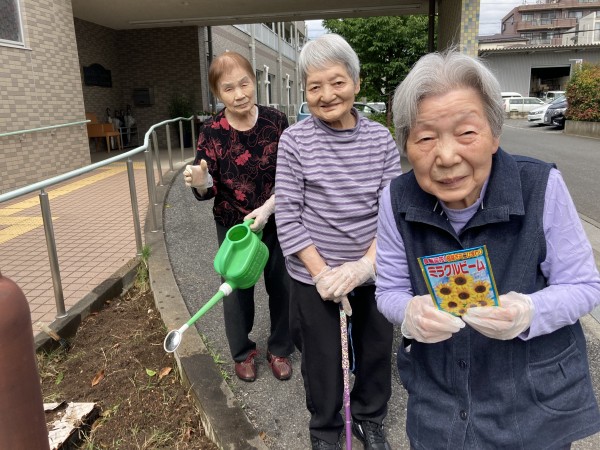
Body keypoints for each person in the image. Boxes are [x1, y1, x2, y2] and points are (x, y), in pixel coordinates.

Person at [375, 49, 600, 449]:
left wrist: (528, 311)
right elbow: (389, 289)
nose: (447, 157)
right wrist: (409, 313)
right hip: (439, 403)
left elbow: (584, 285)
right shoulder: (396, 198)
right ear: (406, 144)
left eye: (466, 133)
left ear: (495, 135)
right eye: (426, 137)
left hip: (533, 405)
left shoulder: (540, 186)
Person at [275, 34, 401, 450]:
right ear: (304, 91)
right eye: (314, 86)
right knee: (322, 359)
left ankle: (368, 418)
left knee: (375, 350)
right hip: (315, 275)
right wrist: (324, 275)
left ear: (357, 83)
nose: (327, 95)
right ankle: (326, 430)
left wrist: (365, 266)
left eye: (337, 82)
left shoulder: (380, 139)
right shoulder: (294, 141)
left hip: (373, 270)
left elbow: (391, 213)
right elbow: (288, 216)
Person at [183, 51, 293, 383]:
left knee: (283, 284)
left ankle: (280, 348)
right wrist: (202, 182)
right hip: (233, 224)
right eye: (228, 88)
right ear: (217, 93)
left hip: (275, 217)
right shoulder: (211, 131)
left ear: (254, 81)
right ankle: (242, 352)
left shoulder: (276, 121)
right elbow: (208, 187)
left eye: (244, 84)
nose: (239, 94)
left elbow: (291, 174)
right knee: (235, 289)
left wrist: (269, 208)